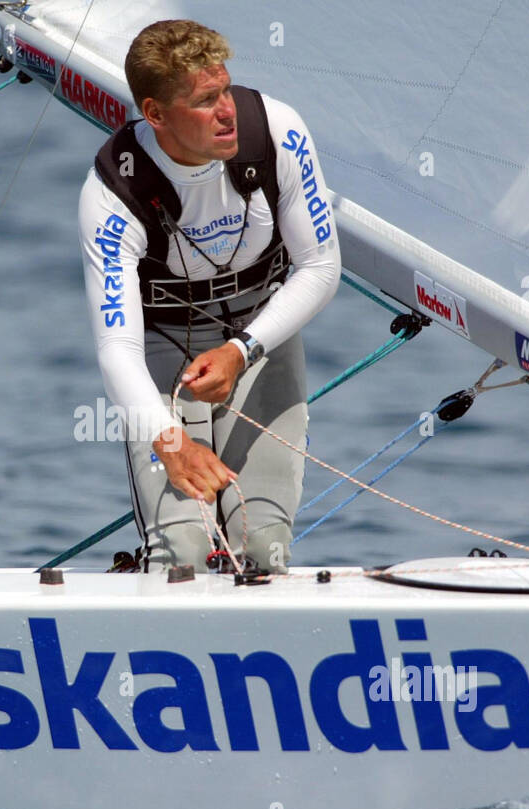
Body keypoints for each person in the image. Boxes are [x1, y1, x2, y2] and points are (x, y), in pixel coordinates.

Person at [79, 20, 341, 573]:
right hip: (165, 345)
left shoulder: (277, 133)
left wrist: (241, 350)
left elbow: (321, 267)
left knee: (263, 548)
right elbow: (116, 350)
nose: (227, 111)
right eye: (205, 101)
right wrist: (167, 440)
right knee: (184, 554)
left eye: (225, 90)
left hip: (260, 336)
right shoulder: (113, 193)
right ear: (155, 114)